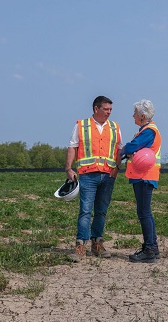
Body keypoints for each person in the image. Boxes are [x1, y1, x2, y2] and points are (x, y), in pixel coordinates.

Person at [65, 95, 123, 262]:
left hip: (108, 175)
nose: (109, 113)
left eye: (110, 109)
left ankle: (97, 243)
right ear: (96, 109)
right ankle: (80, 245)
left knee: (101, 211)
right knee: (85, 210)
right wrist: (68, 168)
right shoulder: (81, 126)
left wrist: (117, 169)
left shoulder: (115, 127)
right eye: (106, 109)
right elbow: (72, 146)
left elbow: (119, 149)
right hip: (87, 175)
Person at [121, 99, 162, 263]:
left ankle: (149, 250)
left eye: (135, 114)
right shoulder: (147, 130)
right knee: (146, 212)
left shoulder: (148, 132)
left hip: (144, 176)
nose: (133, 116)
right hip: (144, 176)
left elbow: (132, 147)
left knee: (144, 213)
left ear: (142, 116)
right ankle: (153, 247)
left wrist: (125, 150)